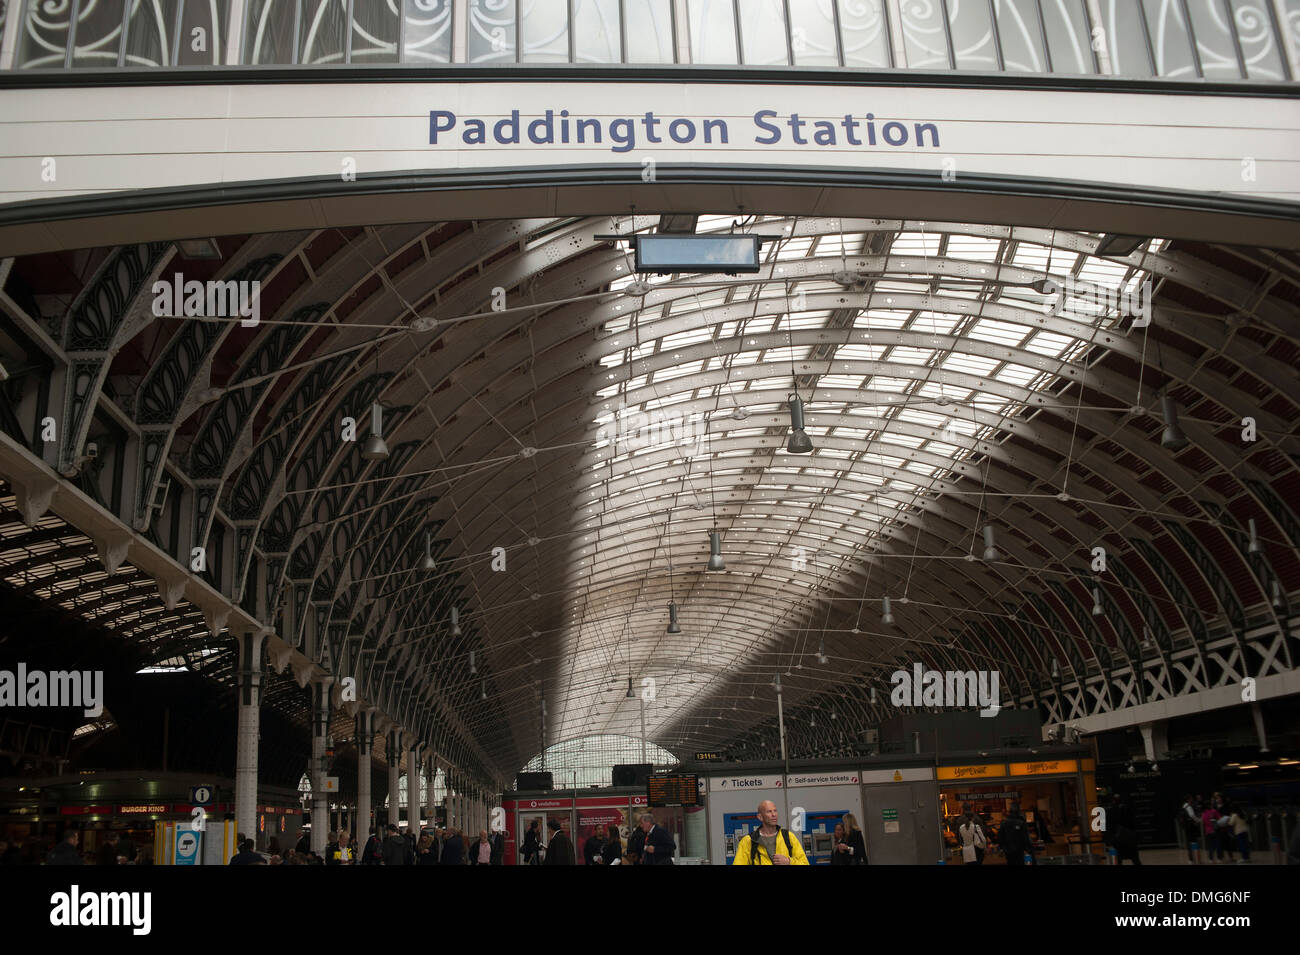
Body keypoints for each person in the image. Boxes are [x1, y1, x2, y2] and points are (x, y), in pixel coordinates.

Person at [732, 800, 809, 865]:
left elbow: (805, 863)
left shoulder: (788, 837)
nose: (774, 814)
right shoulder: (749, 841)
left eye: (775, 811)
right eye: (769, 812)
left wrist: (789, 861)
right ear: (760, 817)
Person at [1177, 795, 1199, 863]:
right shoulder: (1188, 807)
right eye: (1191, 799)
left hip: (1186, 827)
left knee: (1189, 843)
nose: (1192, 800)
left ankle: (1190, 859)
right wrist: (1198, 820)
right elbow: (1192, 815)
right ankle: (1196, 858)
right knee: (1194, 842)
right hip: (1191, 827)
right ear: (1188, 799)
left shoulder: (1183, 806)